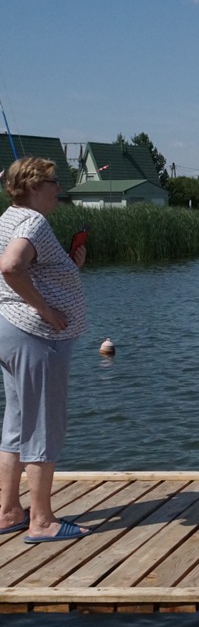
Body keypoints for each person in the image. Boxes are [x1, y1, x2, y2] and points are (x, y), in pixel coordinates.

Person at [0, 157, 91, 543]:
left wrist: (70, 266)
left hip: (10, 330)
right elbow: (11, 266)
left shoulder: (7, 217)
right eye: (54, 182)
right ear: (35, 187)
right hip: (37, 336)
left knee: (17, 423)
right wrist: (46, 310)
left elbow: (27, 267)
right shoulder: (34, 221)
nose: (59, 188)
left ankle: (8, 511)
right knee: (43, 426)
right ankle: (41, 521)